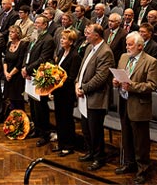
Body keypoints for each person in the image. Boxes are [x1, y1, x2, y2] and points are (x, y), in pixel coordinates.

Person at [113, 31, 157, 185]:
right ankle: (129, 163)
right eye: (127, 44)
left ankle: (142, 170)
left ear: (140, 46)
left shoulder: (151, 61)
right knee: (126, 136)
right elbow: (120, 76)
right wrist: (116, 82)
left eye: (130, 45)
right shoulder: (123, 57)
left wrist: (132, 86)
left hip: (139, 105)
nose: (127, 47)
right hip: (123, 102)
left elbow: (152, 85)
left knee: (140, 142)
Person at [75, 23, 113, 171]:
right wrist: (77, 83)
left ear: (97, 35)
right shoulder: (89, 47)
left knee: (95, 130)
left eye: (88, 32)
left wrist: (83, 88)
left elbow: (101, 77)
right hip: (84, 95)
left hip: (96, 97)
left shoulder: (106, 52)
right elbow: (82, 68)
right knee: (86, 128)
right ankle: (90, 152)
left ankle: (99, 157)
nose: (85, 34)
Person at [21, 15, 55, 146]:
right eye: (35, 23)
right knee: (32, 105)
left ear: (45, 25)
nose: (35, 25)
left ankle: (45, 133)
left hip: (39, 76)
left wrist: (28, 69)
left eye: (38, 23)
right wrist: (24, 67)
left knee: (40, 107)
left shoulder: (48, 39)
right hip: (30, 75)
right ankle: (37, 128)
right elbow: (27, 54)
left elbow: (43, 59)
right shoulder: (35, 37)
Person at [52, 29, 82, 157]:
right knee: (59, 118)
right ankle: (61, 143)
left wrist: (57, 82)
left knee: (67, 119)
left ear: (71, 41)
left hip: (67, 93)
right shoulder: (61, 52)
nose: (61, 40)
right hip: (59, 92)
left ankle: (69, 145)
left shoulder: (75, 56)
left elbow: (71, 77)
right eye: (61, 38)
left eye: (64, 39)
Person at [3, 26, 27, 111]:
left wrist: (10, 74)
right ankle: (12, 116)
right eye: (10, 32)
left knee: (17, 100)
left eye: (12, 32)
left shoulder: (23, 45)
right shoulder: (9, 44)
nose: (10, 34)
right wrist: (6, 72)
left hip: (17, 76)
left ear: (18, 34)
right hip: (8, 75)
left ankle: (20, 117)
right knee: (9, 98)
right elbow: (5, 60)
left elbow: (19, 63)